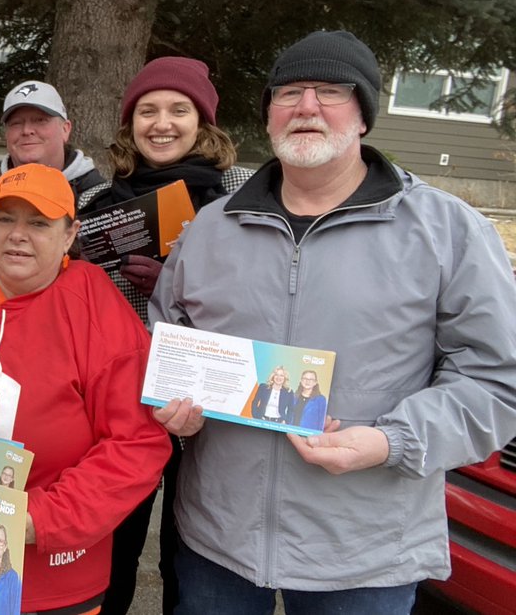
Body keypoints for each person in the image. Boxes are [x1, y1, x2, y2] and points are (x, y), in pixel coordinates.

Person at [151, 30, 516, 614]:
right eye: (289, 92)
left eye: (330, 91)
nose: (307, 107)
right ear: (269, 113)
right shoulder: (213, 227)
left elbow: (500, 382)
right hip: (218, 538)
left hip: (364, 551)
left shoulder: (447, 231)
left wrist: (392, 441)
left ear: (364, 113)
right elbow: (166, 337)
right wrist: (173, 408)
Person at [0, 163, 171, 613]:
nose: (18, 234)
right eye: (6, 219)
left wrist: (38, 519)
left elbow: (136, 443)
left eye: (39, 223)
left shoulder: (97, 310)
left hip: (49, 580)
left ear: (70, 233)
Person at [78, 56, 249, 615]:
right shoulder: (98, 204)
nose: (162, 123)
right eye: (147, 111)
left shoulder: (242, 196)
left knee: (192, 554)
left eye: (180, 109)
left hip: (211, 403)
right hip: (121, 403)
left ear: (204, 121)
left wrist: (179, 281)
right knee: (115, 549)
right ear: (130, 124)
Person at [0, 81, 107, 267]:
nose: (26, 131)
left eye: (40, 120)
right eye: (16, 123)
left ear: (66, 129)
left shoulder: (102, 199)